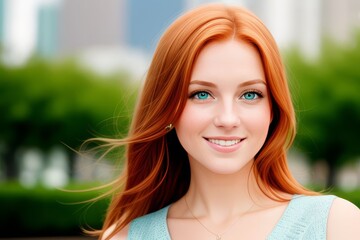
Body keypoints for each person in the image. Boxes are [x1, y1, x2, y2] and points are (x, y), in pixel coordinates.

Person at [94, 3, 360, 240]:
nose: (228, 119)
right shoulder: (125, 236)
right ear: (167, 108)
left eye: (250, 94)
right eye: (201, 94)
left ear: (273, 110)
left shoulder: (336, 225)